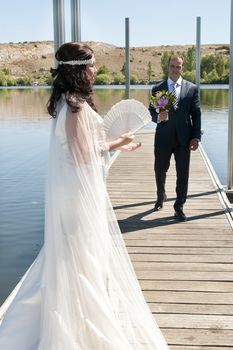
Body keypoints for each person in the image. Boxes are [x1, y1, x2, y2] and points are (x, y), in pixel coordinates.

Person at [0, 42, 169, 349]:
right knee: (79, 254)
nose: (95, 69)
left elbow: (85, 147)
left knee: (71, 256)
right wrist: (119, 141)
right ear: (79, 71)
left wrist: (116, 145)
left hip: (71, 192)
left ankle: (66, 311)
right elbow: (82, 156)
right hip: (77, 197)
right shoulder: (76, 106)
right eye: (91, 65)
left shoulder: (69, 102)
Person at [149, 55, 201, 222]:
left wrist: (196, 137)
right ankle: (160, 194)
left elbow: (196, 114)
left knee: (183, 174)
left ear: (182, 68)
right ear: (168, 67)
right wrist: (159, 116)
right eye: (172, 66)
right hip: (163, 137)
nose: (175, 69)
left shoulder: (192, 89)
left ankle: (179, 207)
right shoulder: (157, 88)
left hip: (184, 139)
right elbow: (151, 112)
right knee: (160, 169)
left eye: (178, 67)